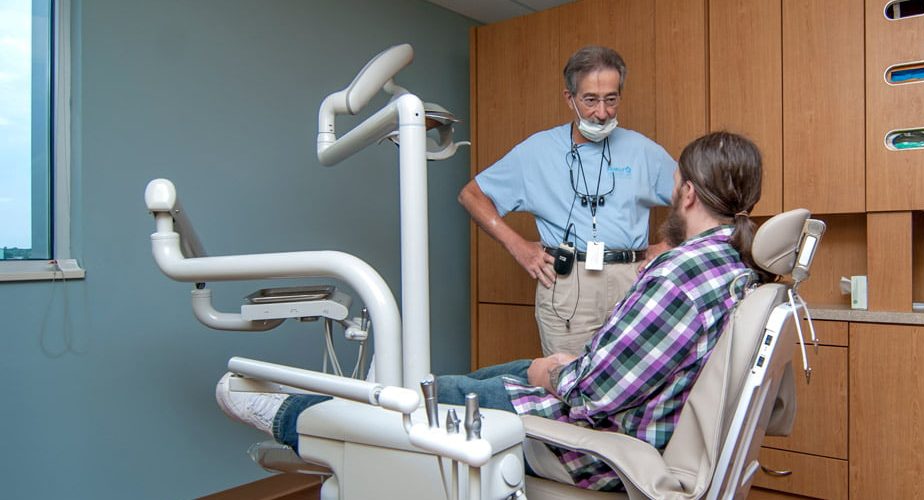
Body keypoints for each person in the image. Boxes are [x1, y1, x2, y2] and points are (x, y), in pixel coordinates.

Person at [217, 131, 767, 492]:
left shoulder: (678, 277)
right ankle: (336, 415)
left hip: (596, 436)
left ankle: (295, 417)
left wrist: (551, 372)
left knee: (418, 405)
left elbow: (593, 393)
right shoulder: (734, 271)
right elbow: (474, 193)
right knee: (459, 381)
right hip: (623, 405)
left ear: (687, 193)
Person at [458, 45, 677, 356]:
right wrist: (517, 245)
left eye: (611, 100)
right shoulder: (537, 151)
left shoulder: (643, 150)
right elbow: (471, 195)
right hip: (569, 282)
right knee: (569, 385)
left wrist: (667, 246)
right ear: (569, 98)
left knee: (635, 382)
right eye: (590, 100)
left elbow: (698, 201)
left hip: (631, 278)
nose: (602, 113)